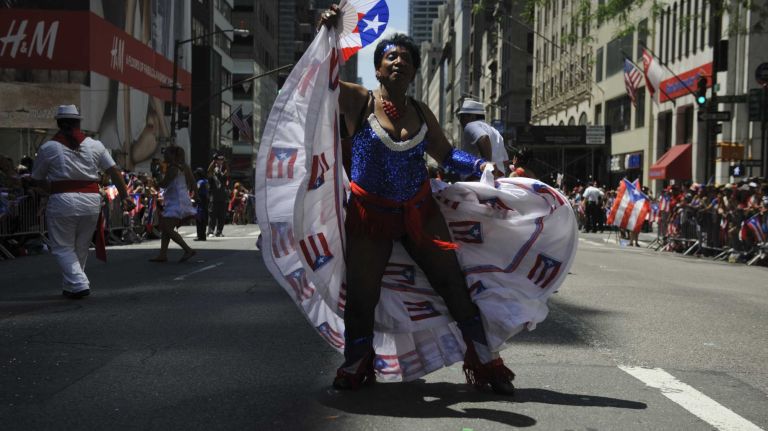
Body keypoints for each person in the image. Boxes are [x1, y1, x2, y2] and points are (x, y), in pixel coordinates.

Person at [319, 9, 514, 395]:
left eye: (406, 59)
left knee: (453, 286)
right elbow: (320, 81)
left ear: (413, 73)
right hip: (368, 215)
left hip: (419, 211)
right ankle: (356, 365)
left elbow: (446, 154)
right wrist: (326, 34)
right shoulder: (357, 100)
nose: (399, 61)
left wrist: (482, 165)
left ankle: (485, 361)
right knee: (362, 296)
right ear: (377, 69)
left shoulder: (422, 112)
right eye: (391, 56)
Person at [27, 105, 134, 298]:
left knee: (62, 246)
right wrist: (125, 196)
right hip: (91, 201)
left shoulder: (49, 147)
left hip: (63, 201)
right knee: (81, 246)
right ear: (78, 123)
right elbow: (114, 172)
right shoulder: (95, 145)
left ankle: (79, 282)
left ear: (59, 124)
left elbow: (37, 177)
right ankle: (71, 285)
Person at [149, 145, 196, 262]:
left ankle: (188, 249)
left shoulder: (173, 168)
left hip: (176, 202)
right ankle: (162, 254)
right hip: (180, 200)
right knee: (166, 229)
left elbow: (165, 183)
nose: (164, 155)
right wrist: (197, 195)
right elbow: (193, 182)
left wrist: (155, 182)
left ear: (173, 155)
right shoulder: (184, 167)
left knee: (167, 228)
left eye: (167, 153)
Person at [457, 99, 507, 177]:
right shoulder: (495, 131)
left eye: (462, 117)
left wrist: (487, 166)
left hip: (478, 182)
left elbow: (483, 138)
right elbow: (505, 161)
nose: (460, 121)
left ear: (471, 116)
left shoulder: (470, 125)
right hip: (497, 182)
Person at [207, 154, 229, 237]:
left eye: (218, 168)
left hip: (222, 198)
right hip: (214, 198)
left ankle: (219, 231)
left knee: (222, 216)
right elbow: (209, 171)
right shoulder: (212, 176)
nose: (217, 168)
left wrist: (225, 162)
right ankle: (210, 231)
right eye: (216, 167)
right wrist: (214, 161)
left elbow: (228, 171)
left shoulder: (223, 175)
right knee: (212, 216)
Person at [193, 167, 209, 241]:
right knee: (204, 219)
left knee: (199, 219)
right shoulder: (206, 181)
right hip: (205, 201)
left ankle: (200, 236)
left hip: (200, 201)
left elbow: (196, 191)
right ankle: (203, 235)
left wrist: (193, 199)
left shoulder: (200, 182)